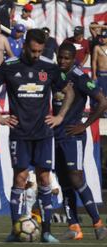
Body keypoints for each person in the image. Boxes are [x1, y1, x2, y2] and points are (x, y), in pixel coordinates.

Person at [0, 29, 74, 243]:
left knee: (44, 179)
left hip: (43, 134)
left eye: (39, 51)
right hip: (20, 133)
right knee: (20, 179)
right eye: (33, 50)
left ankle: (47, 231)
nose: (35, 55)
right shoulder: (9, 66)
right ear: (24, 46)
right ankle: (15, 230)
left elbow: (69, 92)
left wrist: (59, 117)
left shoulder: (49, 67)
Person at [53, 42, 107, 240]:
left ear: (74, 58)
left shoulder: (80, 77)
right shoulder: (55, 74)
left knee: (76, 177)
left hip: (73, 134)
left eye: (67, 58)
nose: (62, 61)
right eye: (60, 57)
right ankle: (74, 227)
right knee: (64, 180)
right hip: (56, 133)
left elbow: (102, 101)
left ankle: (98, 223)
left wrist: (85, 125)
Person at [92, 30, 107, 98]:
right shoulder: (97, 48)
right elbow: (94, 61)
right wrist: (94, 74)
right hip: (101, 74)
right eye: (102, 37)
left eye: (105, 37)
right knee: (102, 95)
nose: (103, 39)